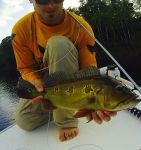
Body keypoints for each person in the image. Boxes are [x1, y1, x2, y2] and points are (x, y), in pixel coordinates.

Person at [12, 0, 117, 142]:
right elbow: (26, 68)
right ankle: (60, 105)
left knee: (58, 44)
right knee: (24, 120)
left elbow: (89, 71)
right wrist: (37, 82)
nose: (51, 5)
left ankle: (66, 121)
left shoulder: (81, 26)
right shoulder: (20, 29)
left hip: (74, 85)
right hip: (45, 86)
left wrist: (95, 101)